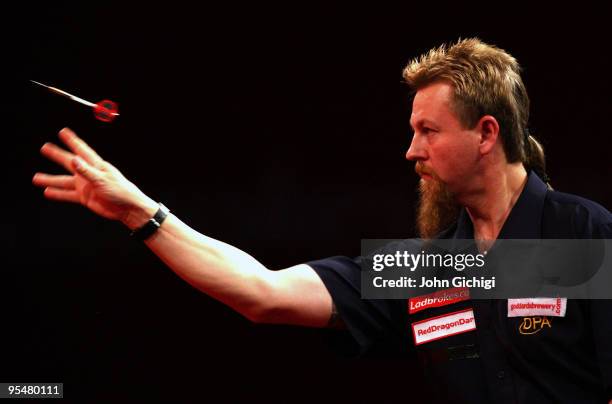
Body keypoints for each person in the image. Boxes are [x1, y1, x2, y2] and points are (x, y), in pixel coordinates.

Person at [33, 38, 611, 403]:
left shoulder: (583, 238)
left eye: (427, 131)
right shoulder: (431, 268)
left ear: (486, 133)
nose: (410, 152)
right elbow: (264, 291)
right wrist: (140, 211)